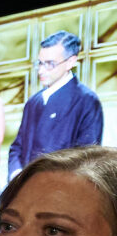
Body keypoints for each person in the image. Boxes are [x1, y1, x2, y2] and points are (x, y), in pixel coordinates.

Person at [8, 31, 104, 179]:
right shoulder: (33, 102)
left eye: (50, 64)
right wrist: (16, 174)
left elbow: (87, 159)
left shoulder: (86, 100)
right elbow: (17, 147)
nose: (41, 70)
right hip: (27, 187)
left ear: (70, 62)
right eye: (40, 63)